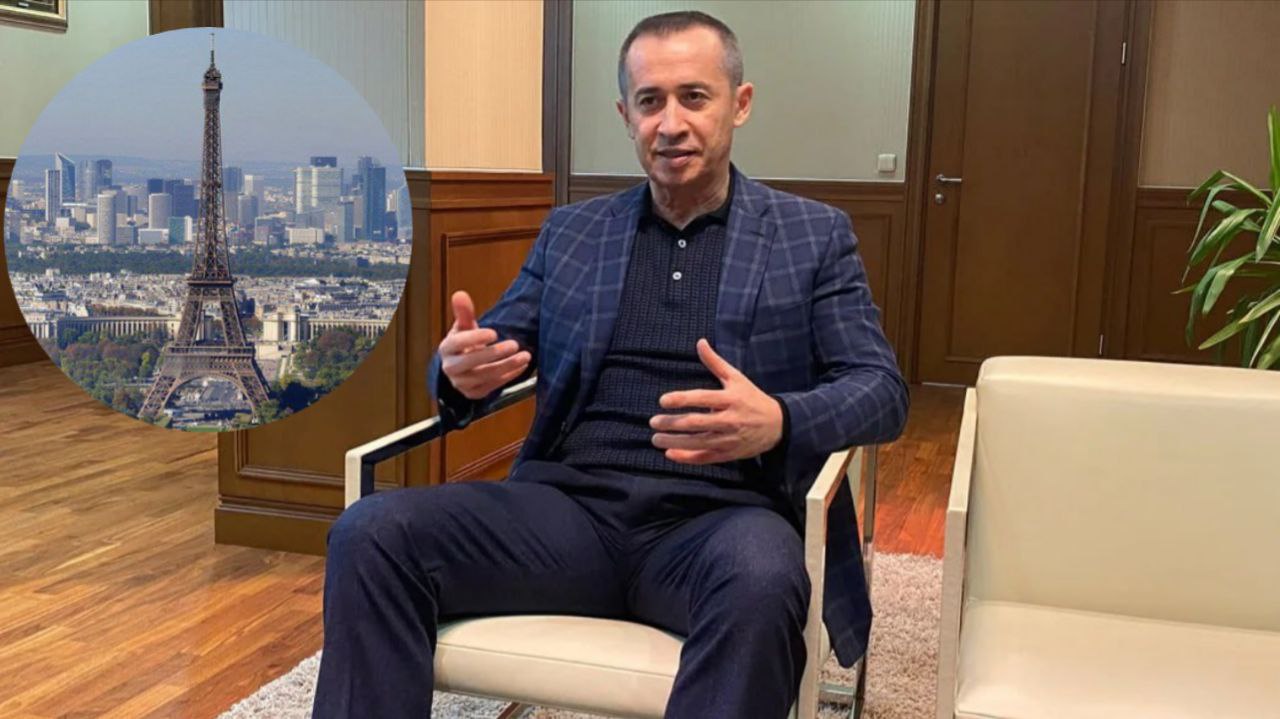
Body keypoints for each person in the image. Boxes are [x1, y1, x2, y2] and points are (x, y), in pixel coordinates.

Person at [312, 10, 908, 718]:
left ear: (740, 104)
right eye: (650, 101)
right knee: (371, 534)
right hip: (567, 514)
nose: (671, 123)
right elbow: (491, 347)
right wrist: (456, 372)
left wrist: (778, 418)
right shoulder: (575, 231)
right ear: (626, 116)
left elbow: (881, 389)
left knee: (762, 579)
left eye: (694, 97)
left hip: (723, 519)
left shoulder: (812, 235)